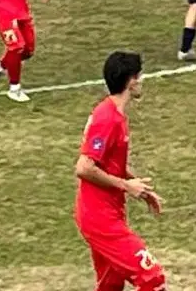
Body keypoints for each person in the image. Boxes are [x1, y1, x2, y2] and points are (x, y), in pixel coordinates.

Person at [74, 51, 167, 291]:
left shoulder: (114, 114)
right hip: (100, 218)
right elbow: (85, 167)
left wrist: (138, 185)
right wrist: (127, 186)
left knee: (111, 285)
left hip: (107, 213)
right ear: (130, 80)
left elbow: (108, 162)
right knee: (152, 276)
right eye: (139, 75)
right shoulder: (108, 118)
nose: (141, 80)